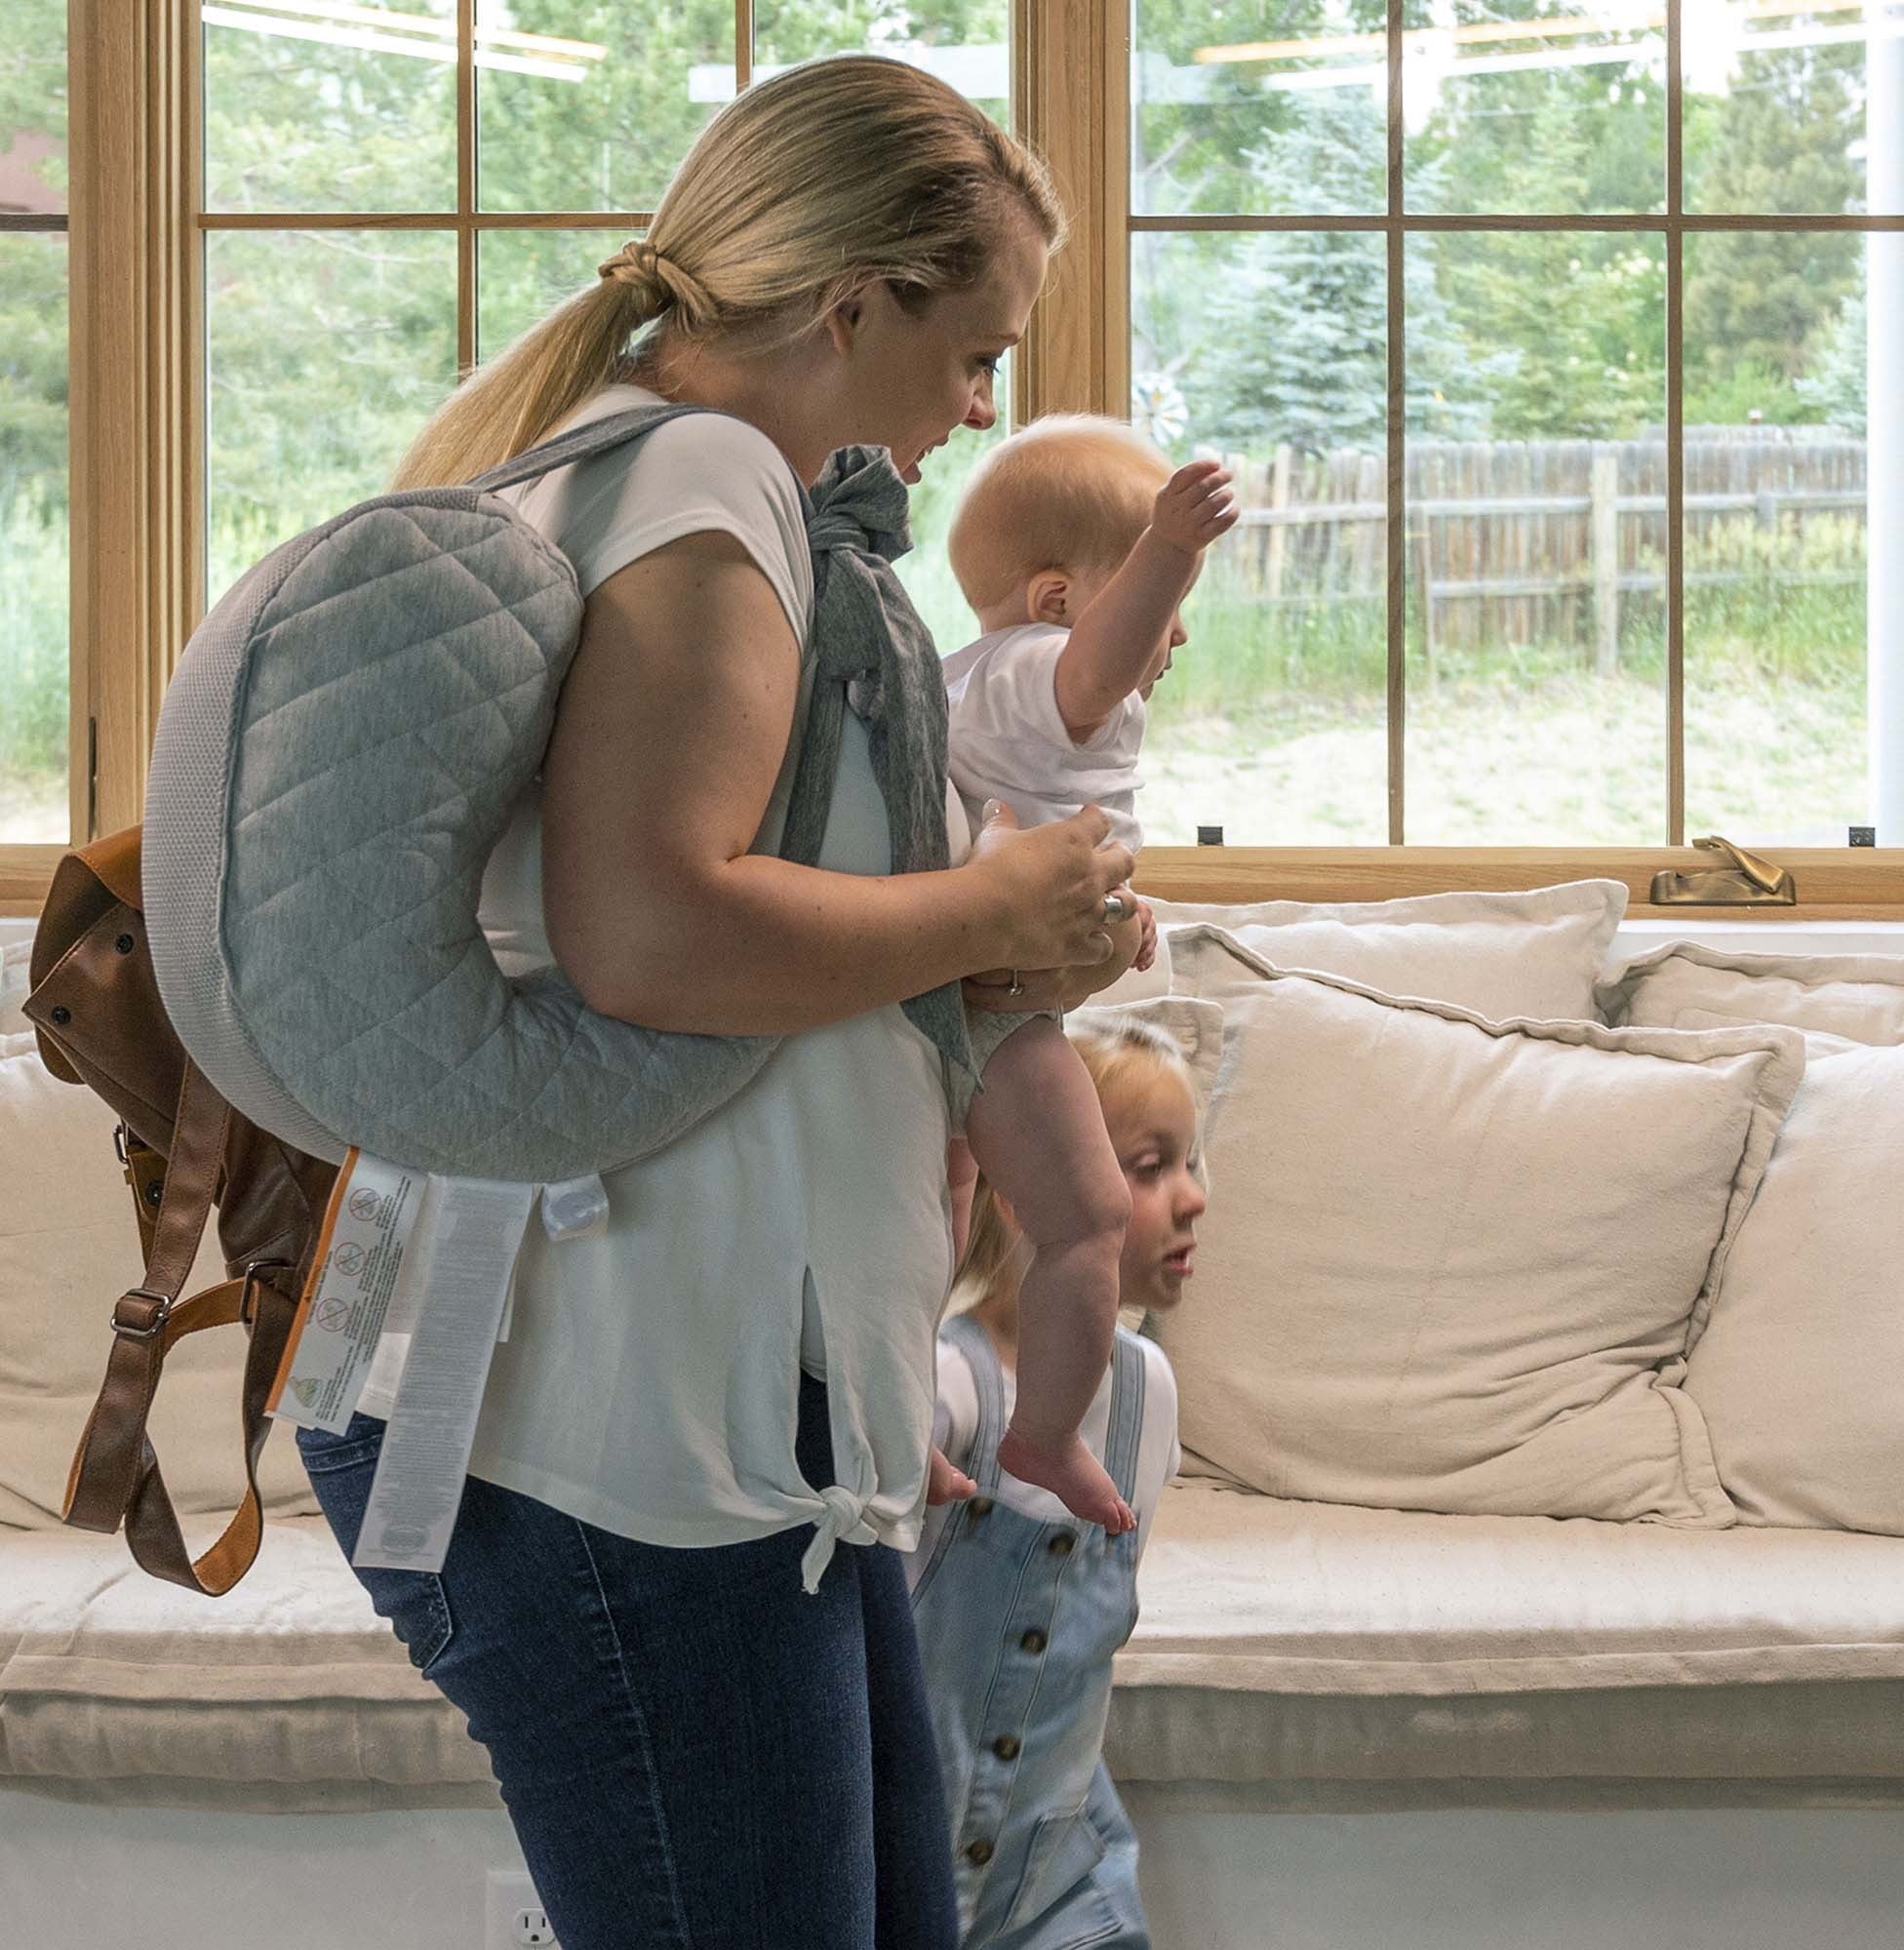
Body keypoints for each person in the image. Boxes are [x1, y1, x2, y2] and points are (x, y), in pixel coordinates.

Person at [292, 56, 1143, 1950]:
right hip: (614, 1428)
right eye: (973, 348)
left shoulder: (729, 511)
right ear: (854, 307)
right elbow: (654, 934)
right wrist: (991, 897)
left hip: (724, 1423)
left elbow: (819, 934)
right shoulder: (695, 494)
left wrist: (1005, 935)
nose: (979, 406)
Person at [933, 417, 1235, 1537]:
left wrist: (1117, 905)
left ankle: (896, 1422)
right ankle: (1046, 1428)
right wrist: (1170, 546)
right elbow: (1097, 666)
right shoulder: (1033, 674)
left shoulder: (988, 691)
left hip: (964, 999)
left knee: (940, 1207)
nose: (1176, 631)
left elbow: (1032, 830)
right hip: (1002, 1020)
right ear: (1059, 601)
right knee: (1089, 1220)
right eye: (1157, 601)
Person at [911, 1012, 1209, 1950]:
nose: (1192, 1197)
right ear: (1025, 1194)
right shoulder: (950, 1387)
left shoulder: (1144, 1397)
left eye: (1191, 1162)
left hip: (1058, 1880)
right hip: (911, 1856)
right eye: (1148, 1166)